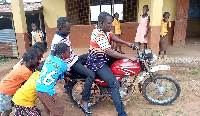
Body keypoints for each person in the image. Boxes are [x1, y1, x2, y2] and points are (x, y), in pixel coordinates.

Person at [86, 11, 137, 116]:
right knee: (114, 84)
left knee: (121, 61)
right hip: (97, 62)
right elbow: (109, 52)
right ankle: (121, 113)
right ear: (101, 23)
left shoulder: (104, 30)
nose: (111, 25)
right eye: (109, 23)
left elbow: (112, 36)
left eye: (111, 22)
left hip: (103, 57)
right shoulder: (99, 33)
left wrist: (126, 43)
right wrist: (129, 56)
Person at [51, 17, 95, 115]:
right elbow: (53, 57)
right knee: (91, 75)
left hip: (74, 59)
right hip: (70, 64)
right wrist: (63, 72)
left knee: (93, 55)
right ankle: (84, 101)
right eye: (67, 29)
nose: (69, 31)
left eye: (69, 28)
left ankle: (69, 85)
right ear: (60, 28)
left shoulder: (64, 34)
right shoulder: (56, 40)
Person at [36, 43, 70, 116]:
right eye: (68, 52)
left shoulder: (49, 57)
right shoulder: (63, 65)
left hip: (38, 87)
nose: (69, 54)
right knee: (58, 110)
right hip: (47, 91)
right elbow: (60, 77)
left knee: (49, 108)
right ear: (62, 54)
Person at [0, 51, 38, 116]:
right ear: (31, 60)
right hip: (7, 91)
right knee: (7, 110)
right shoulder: (26, 72)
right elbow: (31, 81)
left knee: (3, 107)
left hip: (5, 87)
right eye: (36, 59)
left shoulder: (22, 64)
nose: (37, 60)